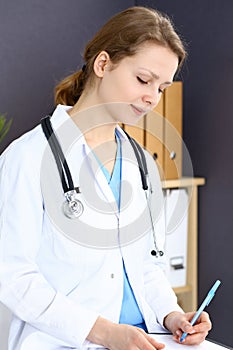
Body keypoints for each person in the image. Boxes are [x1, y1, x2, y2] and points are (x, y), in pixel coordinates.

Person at [0, 6, 211, 350]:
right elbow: (13, 278)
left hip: (146, 338)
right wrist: (103, 332)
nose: (152, 98)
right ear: (102, 64)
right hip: (64, 343)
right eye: (144, 80)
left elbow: (146, 266)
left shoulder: (142, 164)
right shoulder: (28, 158)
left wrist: (172, 315)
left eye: (162, 88)